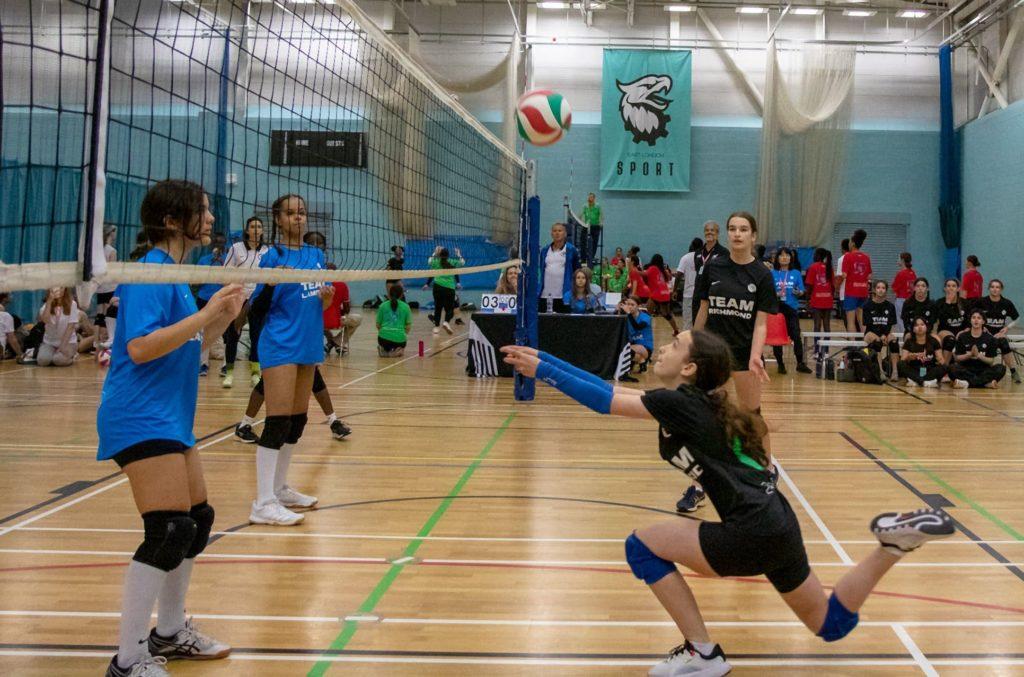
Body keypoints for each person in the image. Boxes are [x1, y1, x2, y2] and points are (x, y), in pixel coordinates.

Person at [500, 332, 954, 677]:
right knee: (830, 624)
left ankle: (702, 652)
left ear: (690, 368)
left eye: (674, 344)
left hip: (752, 529)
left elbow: (603, 401)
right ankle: (892, 546)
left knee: (641, 546)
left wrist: (542, 372)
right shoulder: (688, 404)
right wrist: (542, 360)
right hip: (777, 520)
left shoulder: (680, 405)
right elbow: (607, 390)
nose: (663, 347)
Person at [96, 179, 242, 677]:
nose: (210, 218)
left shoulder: (176, 273)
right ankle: (129, 659)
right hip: (138, 413)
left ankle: (171, 632)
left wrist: (221, 317)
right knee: (169, 529)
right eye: (201, 211)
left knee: (196, 519)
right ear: (173, 221)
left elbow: (189, 347)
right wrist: (205, 312)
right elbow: (138, 347)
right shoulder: (149, 272)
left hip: (170, 413)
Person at [680, 211, 778, 513]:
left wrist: (755, 355)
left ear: (753, 236)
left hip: (744, 353)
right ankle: (699, 486)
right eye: (732, 229)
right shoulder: (713, 268)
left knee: (752, 418)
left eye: (743, 229)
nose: (737, 234)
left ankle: (766, 472)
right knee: (707, 420)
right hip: (713, 354)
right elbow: (704, 310)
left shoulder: (761, 275)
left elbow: (761, 323)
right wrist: (693, 344)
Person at [246, 193, 335, 526]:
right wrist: (272, 281)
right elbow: (257, 308)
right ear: (278, 220)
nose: (299, 218)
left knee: (297, 422)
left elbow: (319, 304)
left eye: (302, 213)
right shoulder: (272, 257)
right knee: (278, 421)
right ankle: (263, 502)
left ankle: (280, 489)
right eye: (291, 214)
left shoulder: (315, 255)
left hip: (308, 343)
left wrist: (326, 300)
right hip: (280, 344)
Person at [221, 215, 269, 387]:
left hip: (257, 299)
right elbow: (226, 272)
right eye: (253, 227)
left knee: (257, 337)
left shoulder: (267, 251)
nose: (256, 230)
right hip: (238, 298)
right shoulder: (236, 248)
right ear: (247, 230)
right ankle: (230, 372)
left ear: (262, 231)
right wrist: (232, 293)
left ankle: (255, 373)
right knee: (233, 335)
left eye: (259, 227)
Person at [771, 247, 811, 374]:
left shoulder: (796, 273)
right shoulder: (772, 273)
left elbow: (802, 291)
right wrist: (775, 294)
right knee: (777, 338)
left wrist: (798, 292)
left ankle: (800, 363)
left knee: (796, 336)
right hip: (777, 309)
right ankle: (780, 364)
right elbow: (767, 291)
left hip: (792, 308)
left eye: (787, 255)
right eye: (781, 255)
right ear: (777, 258)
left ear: (791, 258)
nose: (784, 258)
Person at [193, 233, 227, 377]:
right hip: (204, 299)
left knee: (225, 332)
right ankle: (203, 364)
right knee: (203, 331)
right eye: (216, 243)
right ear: (212, 245)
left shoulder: (227, 261)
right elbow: (196, 281)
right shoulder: (204, 260)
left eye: (221, 244)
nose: (218, 246)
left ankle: (225, 366)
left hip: (221, 299)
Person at [975, 279, 1021, 383]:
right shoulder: (981, 301)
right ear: (989, 288)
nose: (995, 289)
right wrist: (981, 327)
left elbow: (1017, 318)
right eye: (992, 287)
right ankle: (985, 371)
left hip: (999, 334)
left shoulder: (1006, 303)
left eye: (997, 287)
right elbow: (972, 315)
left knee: (1004, 343)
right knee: (984, 345)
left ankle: (1013, 372)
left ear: (1001, 289)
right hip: (984, 334)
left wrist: (1007, 328)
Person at [949, 309, 1007, 389]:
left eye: (979, 318)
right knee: (952, 368)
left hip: (983, 370)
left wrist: (978, 355)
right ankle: (984, 384)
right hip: (966, 369)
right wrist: (969, 355)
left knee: (1001, 368)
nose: (976, 320)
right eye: (973, 317)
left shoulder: (990, 338)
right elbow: (957, 358)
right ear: (970, 320)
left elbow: (991, 361)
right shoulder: (963, 336)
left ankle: (967, 383)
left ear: (983, 321)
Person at [862, 280, 900, 381]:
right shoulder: (867, 305)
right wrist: (880, 336)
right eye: (878, 288)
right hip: (871, 333)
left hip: (886, 333)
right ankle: (880, 371)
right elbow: (869, 325)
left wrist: (886, 335)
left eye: (883, 288)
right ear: (874, 290)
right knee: (877, 342)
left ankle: (895, 371)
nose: (881, 290)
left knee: (894, 341)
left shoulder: (890, 306)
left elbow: (891, 324)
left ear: (886, 290)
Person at [692, 221, 729, 322]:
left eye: (712, 230)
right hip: (698, 294)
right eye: (707, 230)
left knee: (711, 326)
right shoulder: (698, 252)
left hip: (714, 294)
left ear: (717, 233)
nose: (709, 232)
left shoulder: (724, 252)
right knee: (696, 322)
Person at [539, 223, 580, 313]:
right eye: (554, 231)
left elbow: (577, 270)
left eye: (560, 231)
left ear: (565, 234)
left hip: (563, 296)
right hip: (545, 295)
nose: (557, 233)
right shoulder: (545, 250)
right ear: (551, 234)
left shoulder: (571, 250)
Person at [322, 263, 361, 357]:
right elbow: (347, 309)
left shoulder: (318, 284)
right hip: (336, 321)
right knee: (358, 319)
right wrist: (341, 312)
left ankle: (330, 343)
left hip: (318, 321)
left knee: (318, 323)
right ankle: (337, 342)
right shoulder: (342, 285)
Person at [804, 248, 835, 358]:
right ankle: (826, 351)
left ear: (816, 255)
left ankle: (817, 351)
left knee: (817, 325)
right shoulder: (829, 267)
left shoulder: (812, 267)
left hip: (817, 300)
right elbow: (833, 286)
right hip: (828, 300)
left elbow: (809, 286)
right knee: (827, 325)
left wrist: (807, 301)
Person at [898, 317, 946, 387]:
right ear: (913, 329)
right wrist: (910, 357)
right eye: (916, 325)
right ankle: (925, 382)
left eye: (922, 325)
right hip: (915, 370)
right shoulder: (909, 341)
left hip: (929, 370)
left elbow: (941, 359)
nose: (920, 327)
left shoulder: (934, 341)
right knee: (900, 364)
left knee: (944, 367)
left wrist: (939, 360)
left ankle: (917, 381)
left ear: (926, 327)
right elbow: (903, 359)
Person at [838, 230, 871, 331]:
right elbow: (869, 275)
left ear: (852, 243)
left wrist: (836, 284)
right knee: (862, 320)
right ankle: (866, 344)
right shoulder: (866, 257)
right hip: (863, 292)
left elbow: (844, 275)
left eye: (849, 242)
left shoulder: (848, 256)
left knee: (851, 321)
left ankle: (853, 345)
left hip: (851, 292)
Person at [37, 286, 79, 367]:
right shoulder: (45, 306)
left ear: (65, 290)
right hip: (49, 342)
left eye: (62, 288)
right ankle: (51, 354)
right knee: (42, 361)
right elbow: (45, 320)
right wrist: (49, 301)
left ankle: (72, 356)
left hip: (68, 342)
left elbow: (70, 327)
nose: (59, 290)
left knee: (58, 360)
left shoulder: (72, 304)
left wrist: (62, 346)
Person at [428, 246, 463, 334]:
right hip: (449, 288)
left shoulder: (436, 262)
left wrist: (434, 253)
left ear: (439, 255)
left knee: (438, 308)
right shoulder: (452, 261)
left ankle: (436, 327)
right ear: (448, 255)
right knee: (450, 309)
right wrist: (458, 254)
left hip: (437, 287)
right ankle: (446, 322)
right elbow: (462, 262)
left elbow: (429, 261)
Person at [934, 278, 967, 367]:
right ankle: (944, 368)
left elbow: (968, 322)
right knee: (950, 340)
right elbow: (942, 320)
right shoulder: (940, 302)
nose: (951, 288)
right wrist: (948, 303)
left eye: (953, 286)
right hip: (944, 331)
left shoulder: (964, 303)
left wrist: (963, 332)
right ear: (945, 289)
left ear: (958, 289)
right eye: (948, 286)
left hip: (961, 331)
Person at [95, 224, 119, 347]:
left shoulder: (98, 250)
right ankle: (110, 339)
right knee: (110, 312)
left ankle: (96, 342)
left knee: (99, 315)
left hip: (99, 286)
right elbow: (112, 271)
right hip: (109, 286)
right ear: (111, 233)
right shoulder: (112, 251)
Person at [620, 295, 653, 382]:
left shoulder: (645, 317)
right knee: (624, 352)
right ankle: (640, 360)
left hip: (645, 348)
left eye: (632, 305)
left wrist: (628, 314)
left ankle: (643, 359)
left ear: (638, 306)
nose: (630, 307)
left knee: (622, 350)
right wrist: (618, 310)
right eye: (628, 304)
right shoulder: (627, 317)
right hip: (634, 347)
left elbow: (637, 327)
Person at [646, 254, 679, 334]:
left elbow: (645, 275)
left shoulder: (652, 268)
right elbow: (669, 278)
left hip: (656, 294)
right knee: (666, 314)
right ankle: (676, 330)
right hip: (665, 294)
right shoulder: (663, 271)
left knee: (647, 313)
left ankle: (643, 329)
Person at [377, 283, 413, 356]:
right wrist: (401, 334)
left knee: (386, 344)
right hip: (399, 340)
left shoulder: (382, 306)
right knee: (401, 349)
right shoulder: (406, 307)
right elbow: (408, 327)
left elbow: (378, 325)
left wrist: (386, 333)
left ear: (389, 294)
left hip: (382, 339)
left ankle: (385, 349)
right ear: (401, 295)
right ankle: (396, 351)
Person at [675, 238, 703, 331]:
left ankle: (687, 343)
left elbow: (678, 274)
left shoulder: (685, 257)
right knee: (700, 321)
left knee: (688, 321)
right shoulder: (704, 257)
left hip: (688, 294)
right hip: (701, 294)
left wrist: (674, 290)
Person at [891, 252, 915, 334]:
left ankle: (903, 339)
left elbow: (893, 288)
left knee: (900, 321)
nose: (897, 260)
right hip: (911, 300)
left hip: (901, 300)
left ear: (902, 260)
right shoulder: (912, 273)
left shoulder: (900, 274)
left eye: (898, 258)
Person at [580, 192, 603, 266]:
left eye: (591, 197)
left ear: (594, 198)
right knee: (582, 240)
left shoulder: (598, 206)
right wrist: (579, 220)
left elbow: (601, 215)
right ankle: (583, 258)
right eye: (588, 197)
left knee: (594, 243)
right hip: (587, 226)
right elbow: (581, 214)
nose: (589, 199)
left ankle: (591, 257)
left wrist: (601, 222)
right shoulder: (585, 206)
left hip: (595, 226)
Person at [836, 238, 850, 319]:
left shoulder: (842, 259)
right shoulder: (857, 257)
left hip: (845, 294)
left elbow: (840, 277)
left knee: (848, 320)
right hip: (858, 294)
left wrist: (836, 289)